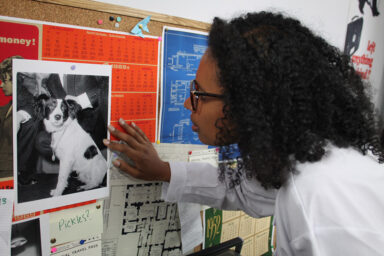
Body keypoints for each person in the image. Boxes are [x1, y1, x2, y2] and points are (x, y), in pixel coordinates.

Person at [103, 12, 384, 255]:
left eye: (198, 93)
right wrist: (164, 171)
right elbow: (243, 190)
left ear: (249, 103)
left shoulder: (321, 195)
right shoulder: (299, 158)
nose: (188, 103)